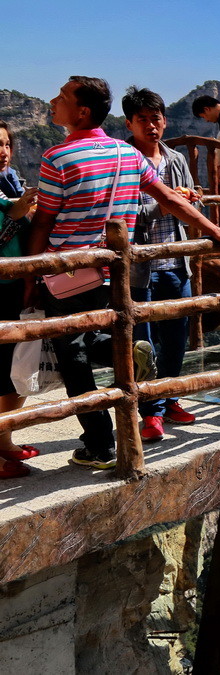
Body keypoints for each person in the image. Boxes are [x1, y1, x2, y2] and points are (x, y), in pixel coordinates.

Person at [30, 76, 220, 469]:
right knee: (104, 337)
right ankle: (128, 358)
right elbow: (166, 196)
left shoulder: (56, 157)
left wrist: (30, 273)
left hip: (65, 273)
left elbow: (45, 221)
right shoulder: (126, 155)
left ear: (81, 112)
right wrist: (214, 230)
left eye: (61, 96)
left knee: (73, 357)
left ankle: (99, 444)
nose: (52, 100)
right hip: (114, 271)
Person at [122, 87, 202, 443]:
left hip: (176, 261)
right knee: (144, 344)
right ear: (130, 123)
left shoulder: (176, 159)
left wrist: (190, 200)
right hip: (141, 266)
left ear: (164, 121)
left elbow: (189, 209)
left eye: (156, 119)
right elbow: (127, 215)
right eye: (142, 120)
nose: (151, 126)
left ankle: (170, 399)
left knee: (176, 338)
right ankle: (150, 412)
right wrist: (167, 201)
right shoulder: (124, 161)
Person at [0, 121, 39, 478]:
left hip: (12, 283)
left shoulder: (9, 180)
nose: (2, 151)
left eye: (6, 144)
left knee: (13, 364)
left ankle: (4, 439)